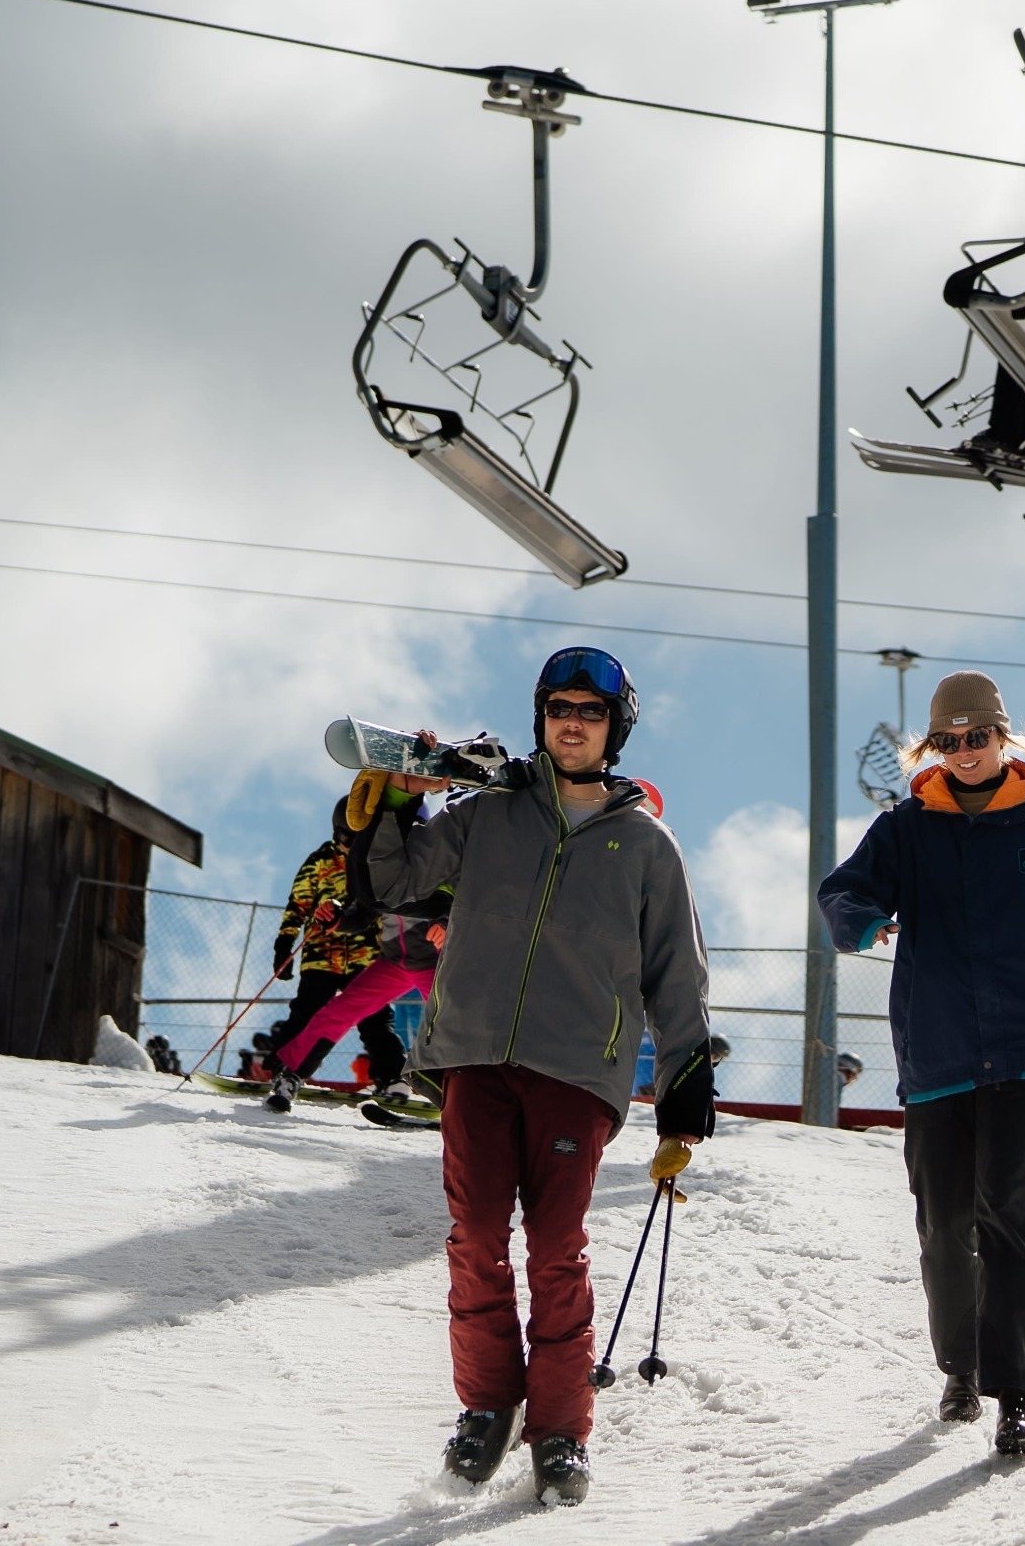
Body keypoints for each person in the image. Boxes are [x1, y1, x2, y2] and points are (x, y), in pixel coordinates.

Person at [348, 646, 716, 1508]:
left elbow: (677, 975)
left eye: (589, 710)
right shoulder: (489, 814)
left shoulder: (646, 845)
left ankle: (559, 1429)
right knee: (474, 1240)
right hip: (475, 1055)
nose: (572, 722)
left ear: (615, 726)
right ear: (542, 718)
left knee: (556, 1250)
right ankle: (487, 1408)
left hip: (576, 1071)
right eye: (558, 708)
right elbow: (396, 885)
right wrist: (395, 804)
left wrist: (683, 1099)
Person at [818, 670, 1025, 1461]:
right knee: (945, 1222)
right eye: (947, 742)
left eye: (976, 737)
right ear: (932, 746)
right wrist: (859, 922)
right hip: (940, 1051)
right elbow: (843, 891)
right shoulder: (908, 827)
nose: (963, 752)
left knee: (1009, 1218)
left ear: (1003, 736)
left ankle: (1015, 1392)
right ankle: (960, 1367)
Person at [258, 836, 415, 1106]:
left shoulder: (372, 862)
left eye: (355, 839)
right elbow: (298, 906)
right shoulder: (320, 861)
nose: (349, 845)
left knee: (375, 1018)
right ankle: (282, 1071)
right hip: (323, 955)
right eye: (344, 838)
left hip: (363, 955)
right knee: (307, 1011)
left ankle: (391, 1077)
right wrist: (284, 944)